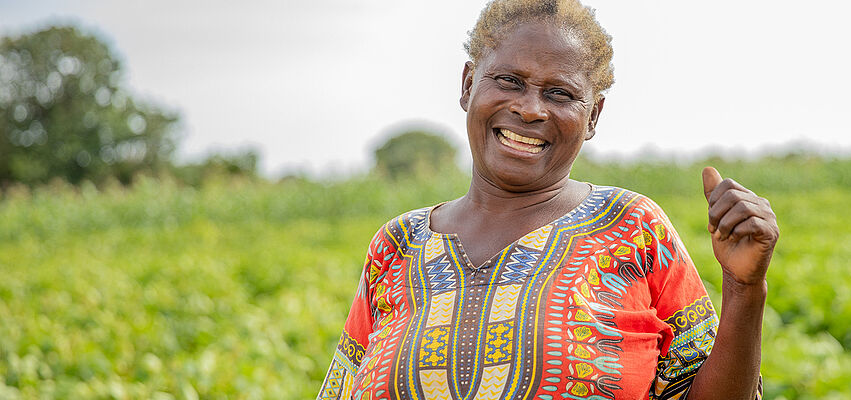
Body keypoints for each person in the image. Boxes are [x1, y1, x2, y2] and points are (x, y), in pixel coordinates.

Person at [316, 0, 778, 399]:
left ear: (593, 116)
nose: (530, 108)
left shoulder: (634, 229)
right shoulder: (396, 246)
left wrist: (743, 290)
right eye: (509, 81)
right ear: (467, 84)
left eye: (560, 93)